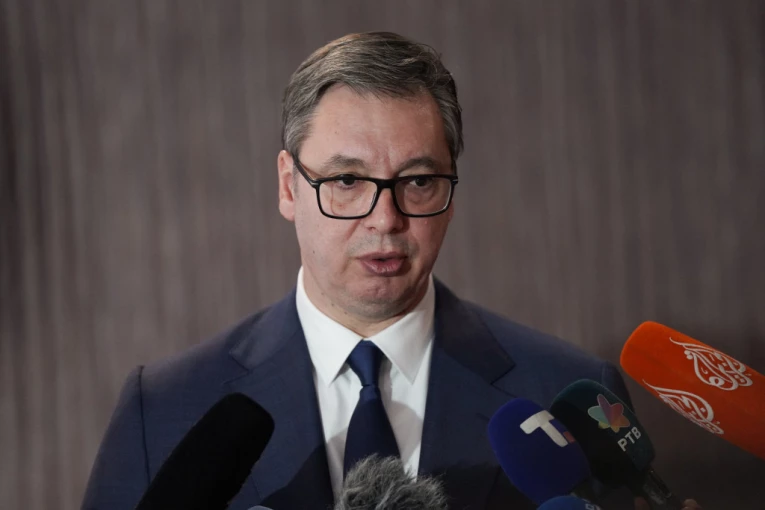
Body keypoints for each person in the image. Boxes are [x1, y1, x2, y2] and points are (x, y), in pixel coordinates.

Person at [81, 32, 701, 510]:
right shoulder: (163, 409)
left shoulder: (566, 393)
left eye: (419, 181)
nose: (386, 218)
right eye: (348, 180)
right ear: (289, 187)